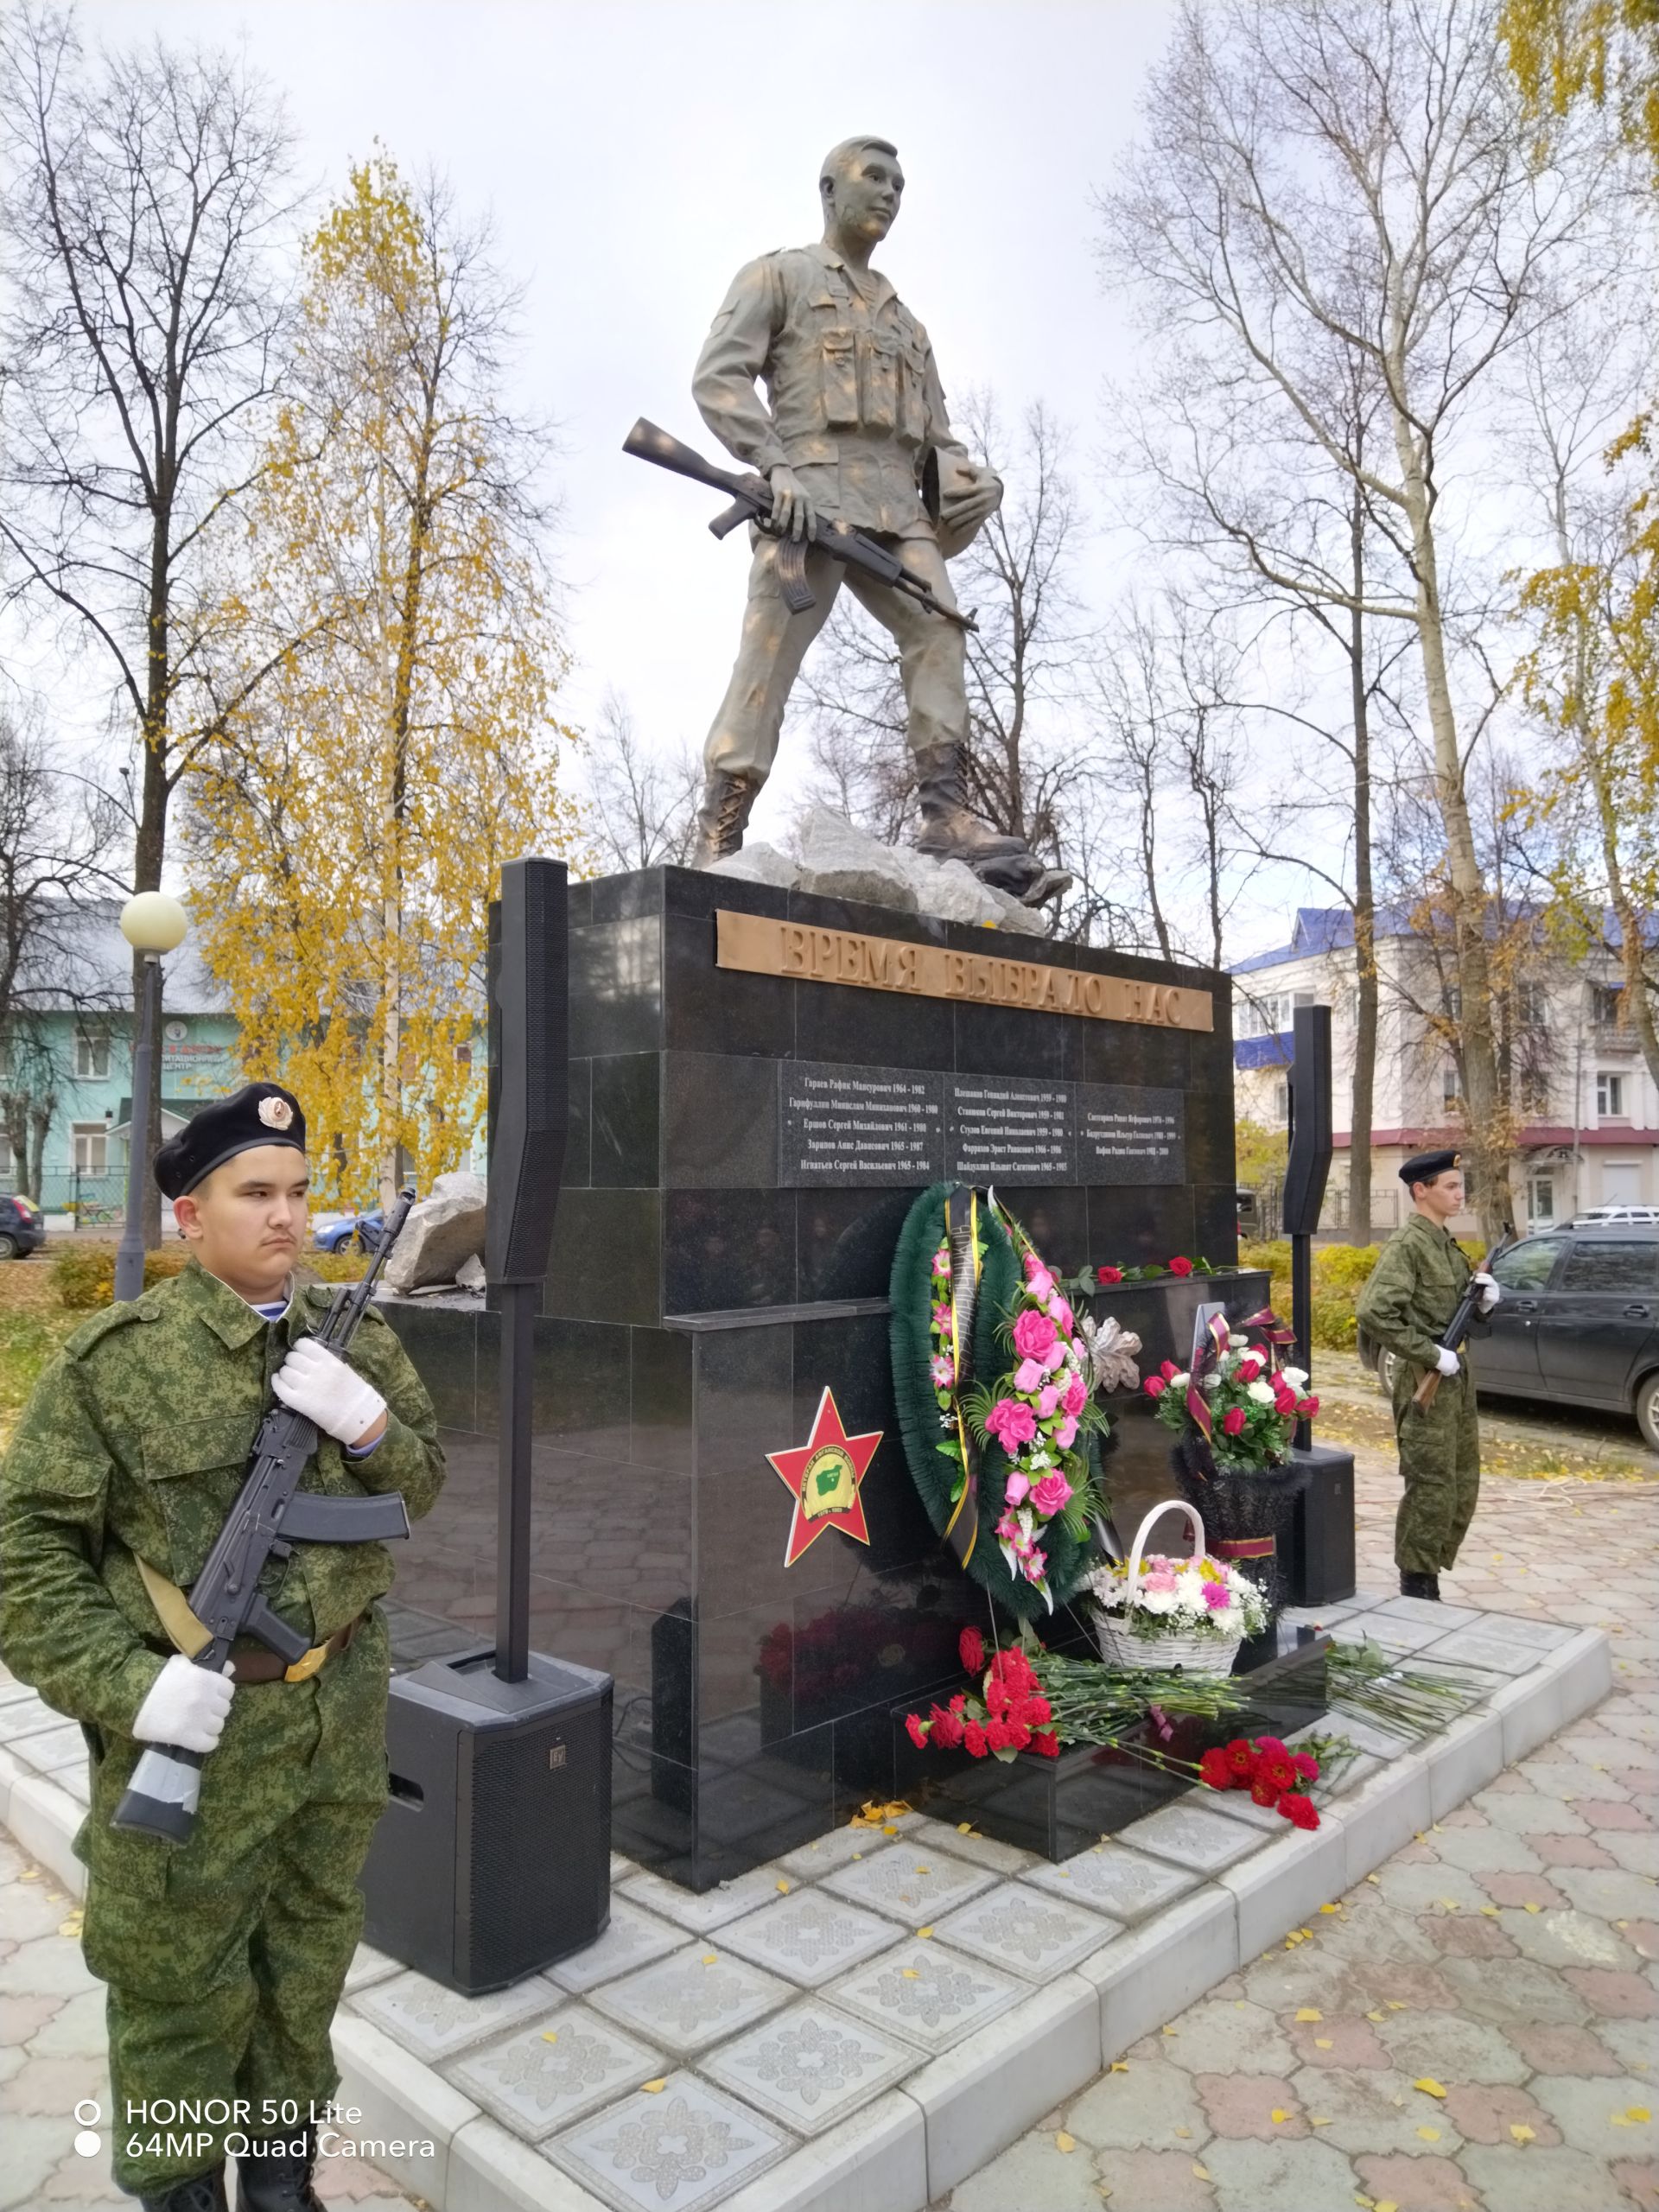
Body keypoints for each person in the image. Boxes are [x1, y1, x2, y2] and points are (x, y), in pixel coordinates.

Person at [0, 1083, 444, 2212]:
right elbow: (25, 1555)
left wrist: (372, 1427)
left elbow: (424, 1485)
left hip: (335, 1724)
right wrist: (132, 1690)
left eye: (298, 1192)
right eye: (255, 1194)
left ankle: (285, 2190)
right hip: (192, 1739)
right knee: (175, 1992)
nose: (286, 1216)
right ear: (191, 1219)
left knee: (304, 1968)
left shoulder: (359, 1343)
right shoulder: (116, 1366)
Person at [689, 135, 1060, 901]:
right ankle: (722, 824)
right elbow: (718, 377)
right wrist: (775, 464)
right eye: (874, 178)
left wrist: (970, 484)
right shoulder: (779, 276)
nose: (890, 193)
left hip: (895, 507)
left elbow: (938, 441)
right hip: (810, 500)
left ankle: (945, 815)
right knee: (768, 651)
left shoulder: (908, 325)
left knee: (940, 628)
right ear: (829, 191)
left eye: (899, 182)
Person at [1355, 1149, 1501, 1600]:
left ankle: (1430, 1574)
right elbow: (1374, 1312)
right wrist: (1431, 1354)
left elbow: (1458, 1317)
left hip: (1456, 1383)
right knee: (1431, 1487)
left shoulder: (1445, 1244)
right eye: (1451, 1186)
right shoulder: (1409, 1245)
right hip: (1426, 1382)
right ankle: (1417, 1585)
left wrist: (1485, 1305)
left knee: (1461, 1483)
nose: (1461, 1194)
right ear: (1422, 1190)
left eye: (1461, 1185)